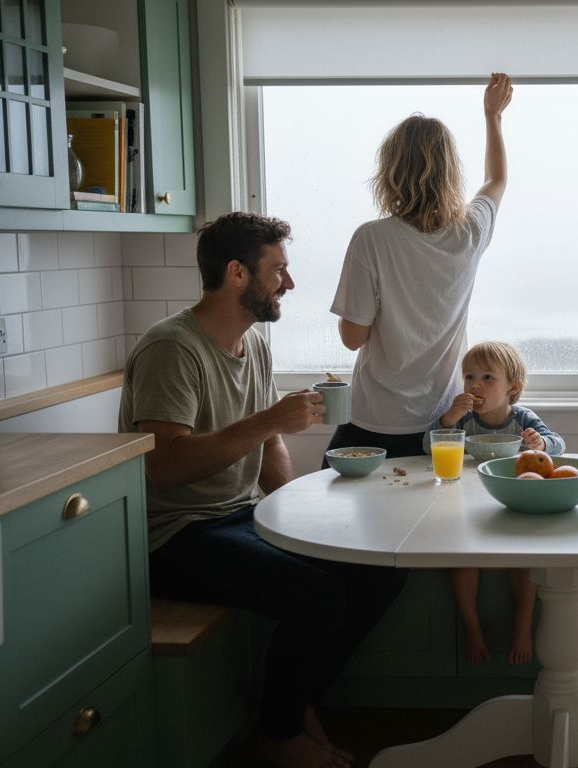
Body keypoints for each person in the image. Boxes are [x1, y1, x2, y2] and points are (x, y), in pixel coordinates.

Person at [119, 212, 406, 768]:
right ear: (236, 274)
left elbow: (269, 445)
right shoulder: (171, 349)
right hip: (175, 536)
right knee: (317, 595)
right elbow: (164, 467)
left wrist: (299, 513)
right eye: (278, 270)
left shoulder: (253, 346)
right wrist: (269, 420)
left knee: (377, 571)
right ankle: (279, 736)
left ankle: (297, 708)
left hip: (240, 516)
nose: (289, 284)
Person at [325, 72, 513, 463]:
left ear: (389, 173)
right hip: (441, 422)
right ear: (450, 173)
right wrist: (492, 116)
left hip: (373, 418)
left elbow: (352, 337)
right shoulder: (470, 231)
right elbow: (496, 180)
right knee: (429, 520)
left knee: (341, 518)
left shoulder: (371, 239)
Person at [425, 340, 564, 665]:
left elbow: (558, 443)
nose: (476, 385)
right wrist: (449, 418)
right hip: (465, 502)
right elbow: (427, 446)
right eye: (470, 376)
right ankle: (471, 628)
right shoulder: (462, 420)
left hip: (509, 501)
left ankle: (522, 625)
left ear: (512, 388)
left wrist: (540, 443)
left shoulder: (522, 419)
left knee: (522, 560)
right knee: (461, 562)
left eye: (488, 378)